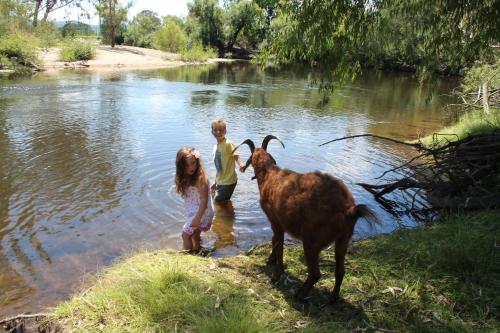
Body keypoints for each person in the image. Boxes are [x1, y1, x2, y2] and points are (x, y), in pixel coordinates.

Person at [175, 147, 214, 252]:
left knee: (185, 235)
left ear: (197, 161)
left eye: (193, 163)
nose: (191, 167)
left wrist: (197, 218)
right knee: (194, 234)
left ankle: (188, 256)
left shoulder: (200, 178)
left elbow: (204, 201)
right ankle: (198, 249)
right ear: (181, 167)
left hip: (201, 212)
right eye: (186, 165)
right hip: (196, 210)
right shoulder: (186, 175)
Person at [210, 119, 245, 202]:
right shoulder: (215, 147)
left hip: (228, 182)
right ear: (212, 132)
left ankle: (229, 214)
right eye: (215, 130)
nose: (218, 132)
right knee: (219, 202)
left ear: (225, 131)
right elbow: (219, 167)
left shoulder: (228, 143)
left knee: (218, 203)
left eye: (221, 130)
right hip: (221, 181)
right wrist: (215, 182)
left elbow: (236, 156)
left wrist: (241, 164)